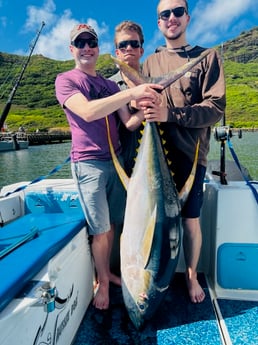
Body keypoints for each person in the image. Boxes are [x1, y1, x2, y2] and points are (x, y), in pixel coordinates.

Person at [55, 23, 162, 310]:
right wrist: (132, 93)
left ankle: (110, 273)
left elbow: (128, 123)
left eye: (91, 42)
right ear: (72, 49)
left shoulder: (110, 85)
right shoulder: (66, 80)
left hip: (116, 163)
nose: (86, 47)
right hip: (89, 164)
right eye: (80, 43)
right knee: (100, 229)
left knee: (113, 224)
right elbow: (88, 112)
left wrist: (149, 108)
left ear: (98, 47)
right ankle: (102, 281)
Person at [141, 0, 226, 303]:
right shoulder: (149, 63)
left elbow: (215, 108)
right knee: (156, 221)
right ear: (159, 22)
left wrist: (171, 115)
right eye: (165, 14)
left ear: (188, 17)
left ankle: (190, 276)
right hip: (157, 160)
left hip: (191, 157)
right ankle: (155, 275)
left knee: (190, 221)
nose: (172, 18)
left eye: (178, 11)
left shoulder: (206, 57)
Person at [109, 20, 145, 176]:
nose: (129, 48)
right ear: (117, 52)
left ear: (141, 50)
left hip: (153, 165)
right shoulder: (109, 86)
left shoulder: (154, 83)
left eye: (134, 44)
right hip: (119, 166)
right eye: (123, 45)